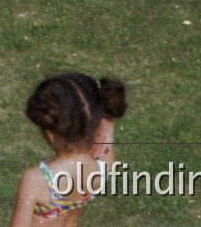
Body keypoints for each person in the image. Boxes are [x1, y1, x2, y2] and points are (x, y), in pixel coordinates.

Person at [9, 72, 128, 226]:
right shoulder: (103, 160)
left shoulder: (36, 180)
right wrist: (107, 122)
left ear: (50, 134)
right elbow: (94, 94)